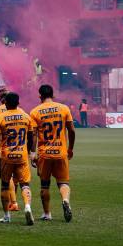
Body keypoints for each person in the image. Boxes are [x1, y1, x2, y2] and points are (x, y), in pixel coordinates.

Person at [29, 84, 75, 222]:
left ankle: (47, 213)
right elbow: (72, 130)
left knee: (44, 184)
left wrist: (32, 152)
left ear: (40, 96)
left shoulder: (35, 112)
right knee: (63, 182)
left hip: (45, 154)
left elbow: (34, 135)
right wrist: (70, 148)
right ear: (53, 95)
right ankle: (65, 200)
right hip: (61, 151)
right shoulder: (64, 108)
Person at [0, 92, 36, 225]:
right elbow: (31, 137)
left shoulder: (0, 118)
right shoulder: (26, 117)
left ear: (6, 103)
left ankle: (6, 215)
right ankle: (27, 206)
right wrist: (27, 152)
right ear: (18, 103)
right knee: (25, 184)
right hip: (22, 156)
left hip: (6, 156)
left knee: (4, 185)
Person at [0, 88, 18, 211]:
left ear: (1, 99)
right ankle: (13, 200)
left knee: (7, 177)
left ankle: (13, 202)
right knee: (15, 177)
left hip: (4, 148)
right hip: (18, 147)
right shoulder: (19, 110)